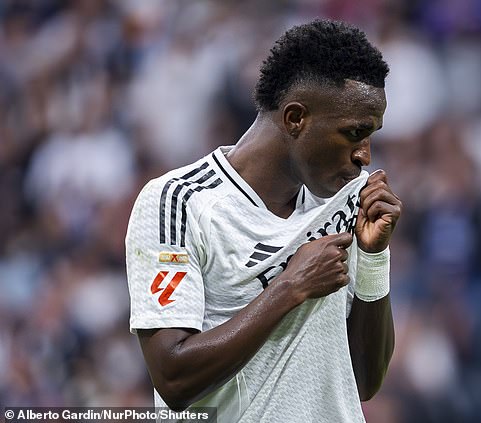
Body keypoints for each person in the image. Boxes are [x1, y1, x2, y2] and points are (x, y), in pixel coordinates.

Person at [125, 19, 401, 423]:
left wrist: (374, 256)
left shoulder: (350, 200)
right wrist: (291, 286)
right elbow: (174, 377)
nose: (365, 155)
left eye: (371, 134)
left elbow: (365, 381)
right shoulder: (179, 202)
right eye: (353, 133)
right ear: (295, 119)